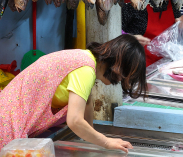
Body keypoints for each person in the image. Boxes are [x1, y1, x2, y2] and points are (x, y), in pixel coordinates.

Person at [0, 35, 147, 151]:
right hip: (8, 123)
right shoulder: (86, 70)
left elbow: (87, 102)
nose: (120, 80)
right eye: (124, 75)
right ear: (118, 66)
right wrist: (106, 142)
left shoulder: (87, 59)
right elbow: (75, 120)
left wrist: (92, 136)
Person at [122, 1, 183, 66]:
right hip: (136, 65)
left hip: (165, 67)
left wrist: (180, 26)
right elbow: (114, 33)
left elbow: (179, 28)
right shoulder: (134, 4)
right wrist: (130, 38)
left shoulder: (173, 4)